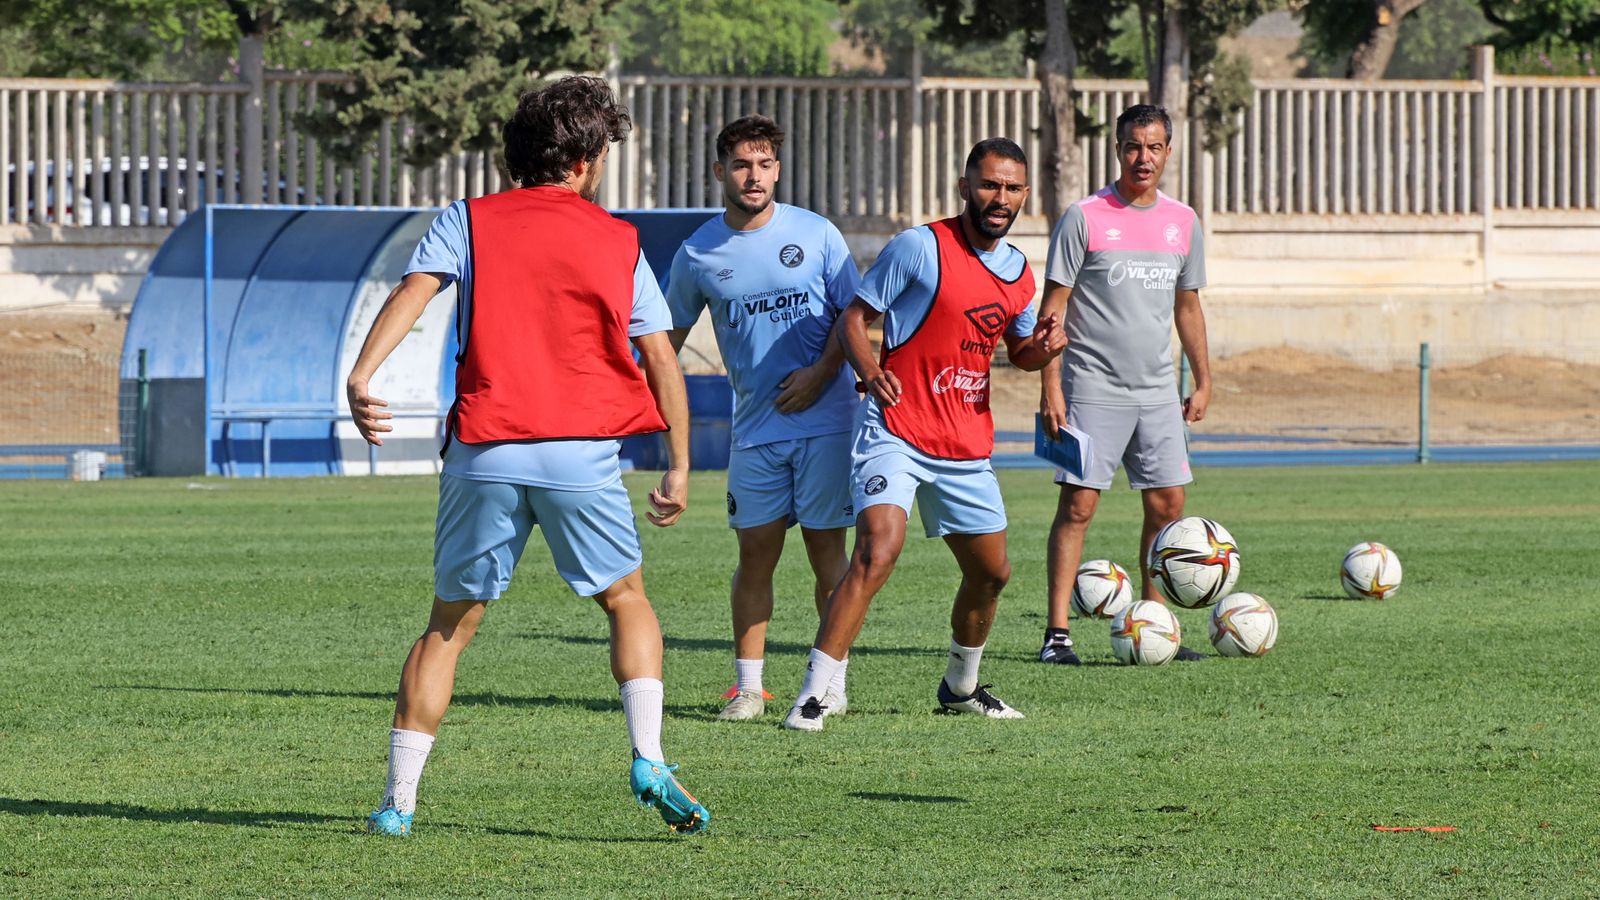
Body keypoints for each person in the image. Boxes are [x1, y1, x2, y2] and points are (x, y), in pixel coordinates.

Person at [345, 76, 709, 836]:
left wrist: (361, 373)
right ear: (581, 157)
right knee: (627, 599)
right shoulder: (618, 240)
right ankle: (649, 758)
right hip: (580, 454)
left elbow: (416, 290)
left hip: (486, 448)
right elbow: (661, 359)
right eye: (602, 148)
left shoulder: (469, 220)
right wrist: (679, 460)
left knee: (450, 623)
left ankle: (398, 805)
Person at [782, 137, 1064, 732]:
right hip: (896, 430)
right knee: (877, 550)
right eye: (989, 184)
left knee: (992, 573)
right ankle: (814, 693)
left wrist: (1041, 349)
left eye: (1013, 188)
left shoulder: (1018, 271)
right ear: (965, 186)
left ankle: (962, 686)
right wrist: (871, 370)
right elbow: (855, 318)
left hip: (964, 444)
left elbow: (1017, 351)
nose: (1001, 197)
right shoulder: (920, 246)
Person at [665, 115, 860, 722]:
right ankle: (749, 688)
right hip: (754, 430)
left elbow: (854, 318)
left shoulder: (818, 233)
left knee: (830, 555)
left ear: (778, 168)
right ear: (719, 171)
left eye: (766, 164)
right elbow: (663, 343)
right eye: (743, 165)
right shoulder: (698, 252)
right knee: (755, 555)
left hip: (828, 421)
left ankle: (829, 683)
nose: (755, 176)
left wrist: (820, 374)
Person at [1035, 103, 1213, 666]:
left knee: (1168, 506)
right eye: (1134, 146)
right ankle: (1057, 634)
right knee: (1079, 506)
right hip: (1089, 389)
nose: (1144, 158)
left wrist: (1203, 380)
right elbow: (1053, 310)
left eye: (1155, 147)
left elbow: (1188, 307)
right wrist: (1050, 387)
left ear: (1168, 152)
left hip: (1158, 392)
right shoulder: (1084, 216)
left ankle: (1153, 622)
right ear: (1117, 149)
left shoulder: (1183, 221)